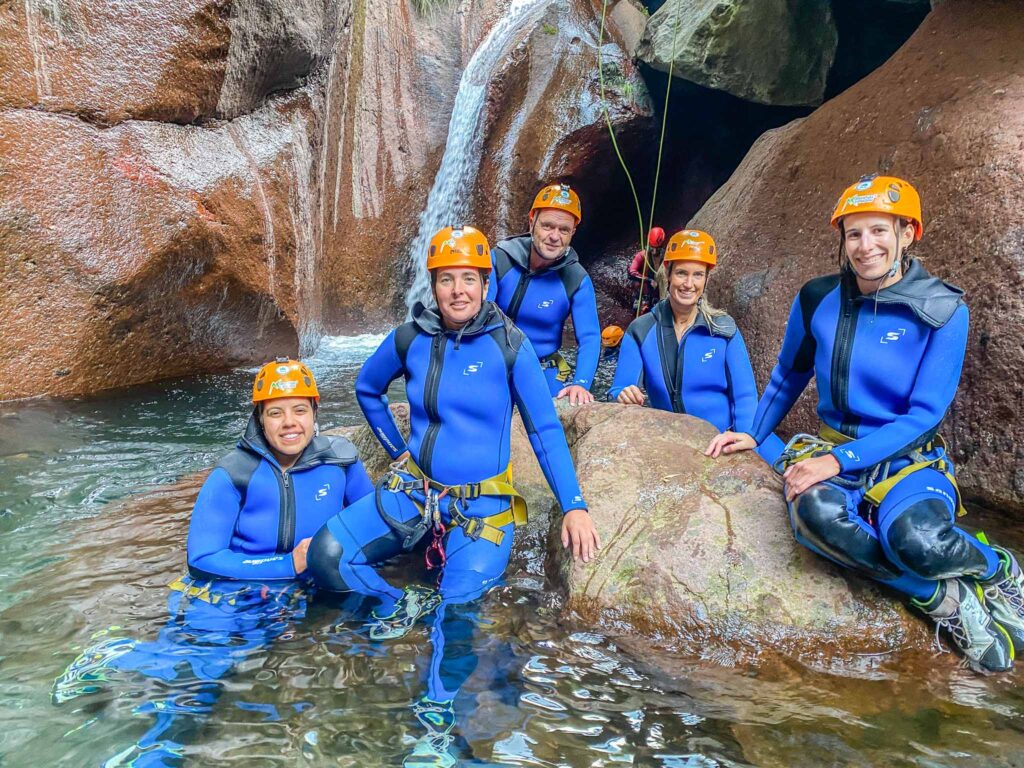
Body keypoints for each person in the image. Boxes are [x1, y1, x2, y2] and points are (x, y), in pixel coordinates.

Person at [706, 174, 1024, 673]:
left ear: (907, 234)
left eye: (879, 231)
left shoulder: (943, 310)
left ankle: (996, 567)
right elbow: (790, 372)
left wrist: (836, 460)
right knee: (813, 518)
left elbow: (925, 415)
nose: (865, 245)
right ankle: (942, 600)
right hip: (835, 449)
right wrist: (754, 431)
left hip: (907, 459)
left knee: (915, 542)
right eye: (853, 233)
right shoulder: (817, 298)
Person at [306, 225, 600, 763]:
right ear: (434, 284)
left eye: (469, 279)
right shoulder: (410, 337)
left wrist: (573, 505)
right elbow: (367, 389)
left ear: (486, 283)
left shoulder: (510, 346)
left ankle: (436, 725)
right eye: (447, 280)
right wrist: (396, 449)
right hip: (412, 491)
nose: (458, 290)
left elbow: (545, 431)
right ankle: (400, 602)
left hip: (480, 511)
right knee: (326, 556)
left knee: (458, 615)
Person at [53, 360, 374, 764]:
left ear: (315, 412)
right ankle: (138, 705)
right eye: (275, 412)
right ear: (259, 418)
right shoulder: (234, 472)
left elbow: (370, 524)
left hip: (293, 590)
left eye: (300, 410)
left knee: (250, 655)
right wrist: (286, 565)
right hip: (226, 586)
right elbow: (202, 559)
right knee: (206, 668)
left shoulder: (341, 461)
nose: (289, 423)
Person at [609, 229, 785, 465]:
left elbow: (744, 397)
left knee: (806, 483)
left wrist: (743, 445)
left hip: (731, 436)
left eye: (698, 275)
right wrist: (622, 394)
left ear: (706, 279)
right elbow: (617, 389)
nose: (689, 284)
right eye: (681, 273)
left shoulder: (724, 329)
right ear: (668, 274)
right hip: (677, 444)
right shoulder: (640, 331)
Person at [485, 184, 600, 405]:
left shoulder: (576, 278)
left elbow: (590, 338)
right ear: (532, 222)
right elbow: (480, 314)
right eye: (547, 226)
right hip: (494, 361)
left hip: (543, 367)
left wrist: (581, 383)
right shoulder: (500, 259)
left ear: (573, 233)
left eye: (564, 230)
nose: (554, 236)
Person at [627, 226, 666, 315]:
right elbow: (631, 272)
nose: (655, 252)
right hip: (645, 293)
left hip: (659, 294)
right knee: (637, 311)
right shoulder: (641, 256)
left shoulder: (666, 257)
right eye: (652, 248)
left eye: (658, 249)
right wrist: (648, 280)